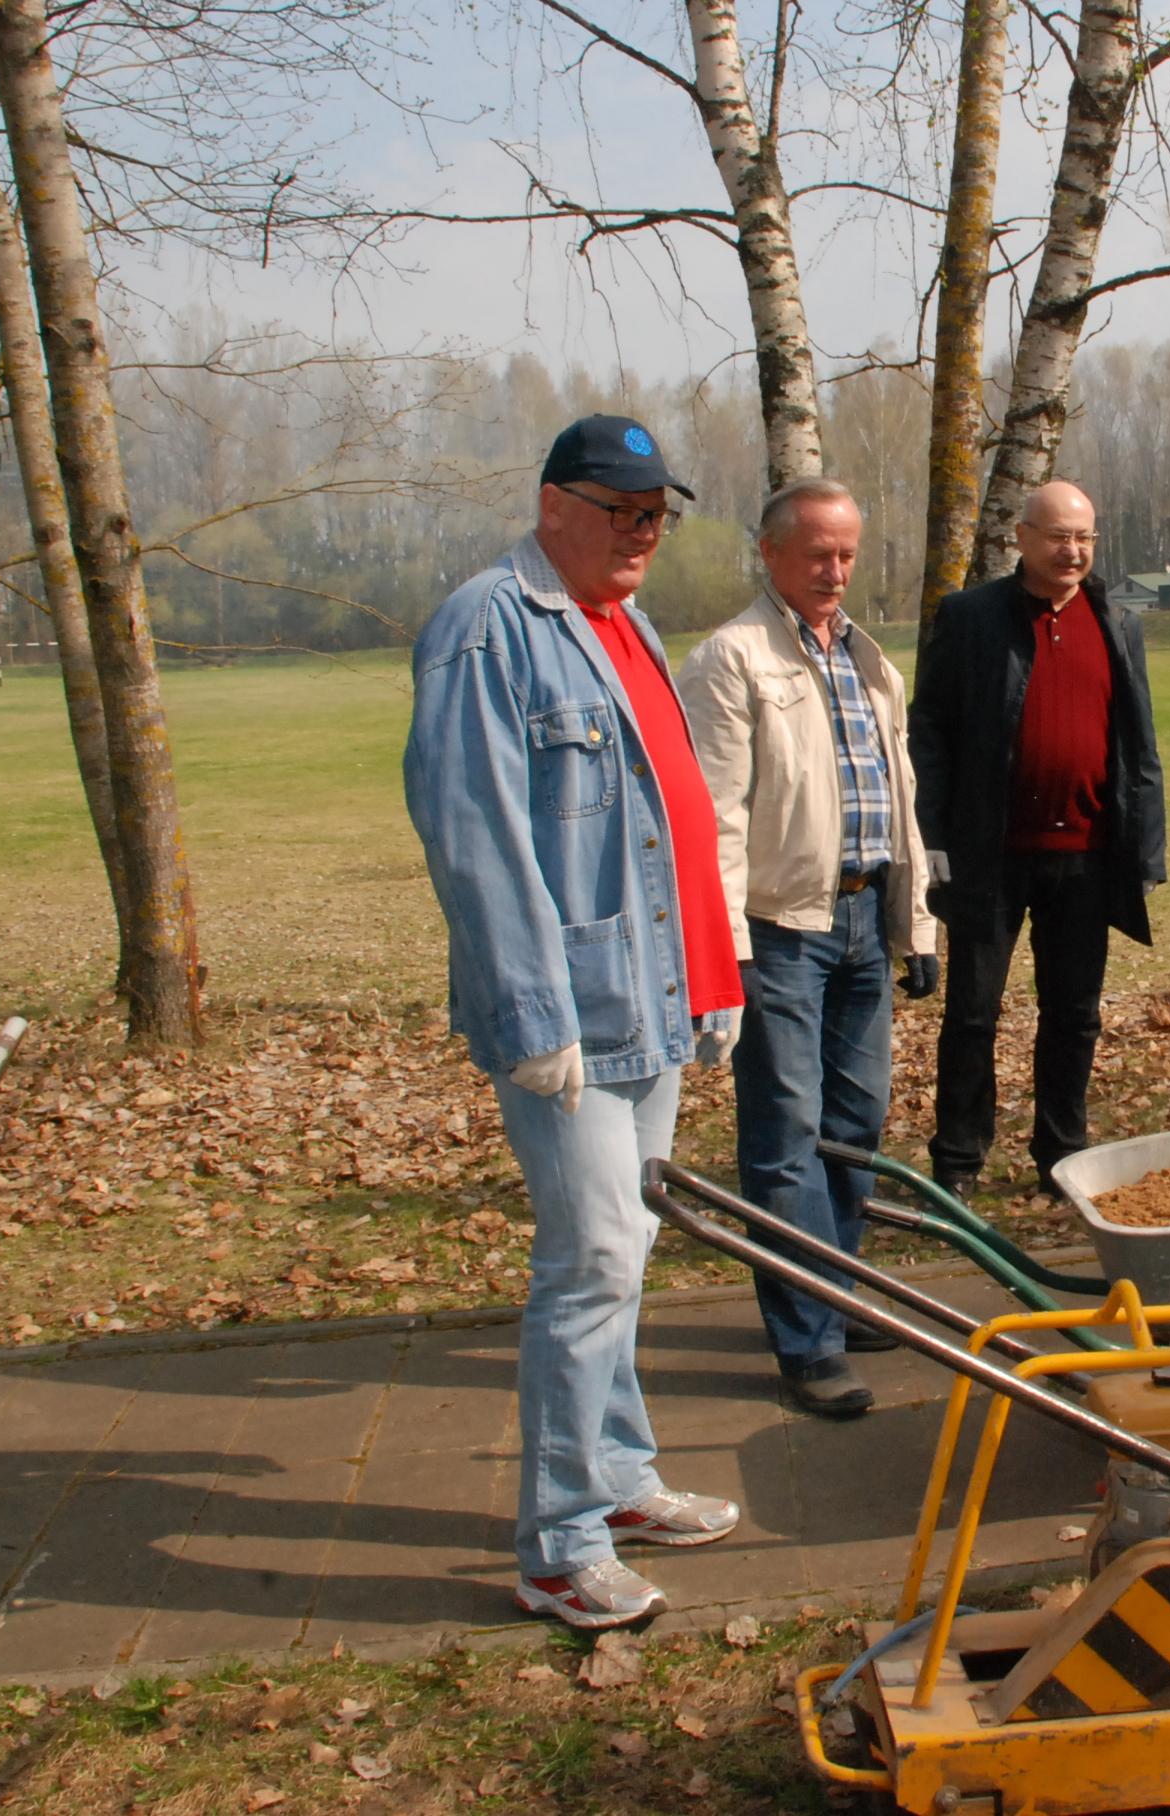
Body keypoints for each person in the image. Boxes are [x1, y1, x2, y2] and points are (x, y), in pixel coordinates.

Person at [404, 413, 746, 1632]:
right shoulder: (487, 628)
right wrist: (528, 1012)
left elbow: (668, 813)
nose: (645, 534)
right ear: (554, 504)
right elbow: (476, 835)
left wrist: (713, 974)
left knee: (630, 1256)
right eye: (623, 511)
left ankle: (618, 1478)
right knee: (590, 1262)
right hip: (570, 1020)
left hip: (651, 998)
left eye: (658, 514)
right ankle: (559, 1544)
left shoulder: (624, 621)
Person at [678, 479, 938, 1419]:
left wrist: (917, 924)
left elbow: (899, 798)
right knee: (786, 1135)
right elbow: (712, 822)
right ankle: (807, 1340)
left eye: (848, 554)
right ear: (771, 553)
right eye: (818, 553)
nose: (835, 571)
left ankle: (833, 1288)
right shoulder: (729, 660)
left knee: (856, 1127)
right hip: (781, 931)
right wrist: (726, 948)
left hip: (867, 921)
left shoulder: (872, 662)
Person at [909, 480, 1165, 1198]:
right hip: (991, 857)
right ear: (1021, 538)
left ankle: (1061, 1157)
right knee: (971, 1015)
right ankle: (957, 1160)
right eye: (1058, 536)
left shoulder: (1117, 622)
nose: (1072, 551)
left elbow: (1139, 746)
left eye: (1084, 537)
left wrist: (1145, 848)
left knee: (1075, 1016)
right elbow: (928, 729)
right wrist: (934, 836)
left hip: (1086, 859)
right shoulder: (968, 618)